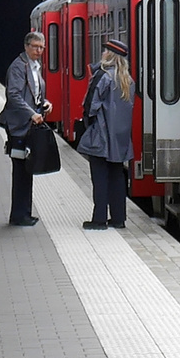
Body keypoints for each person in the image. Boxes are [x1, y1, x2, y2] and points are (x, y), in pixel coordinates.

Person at [76, 40, 134, 230]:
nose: (102, 52)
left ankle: (99, 218)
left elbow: (89, 105)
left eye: (105, 50)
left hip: (101, 136)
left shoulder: (102, 76)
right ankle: (118, 218)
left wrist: (87, 123)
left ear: (110, 55)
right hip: (120, 138)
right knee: (117, 176)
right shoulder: (127, 79)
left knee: (99, 177)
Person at [0, 31, 51, 226]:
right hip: (19, 126)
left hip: (29, 124)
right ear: (26, 46)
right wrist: (31, 113)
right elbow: (14, 96)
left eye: (42, 47)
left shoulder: (34, 66)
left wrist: (44, 104)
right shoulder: (18, 66)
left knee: (28, 168)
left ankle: (25, 212)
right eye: (35, 46)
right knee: (21, 170)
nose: (39, 50)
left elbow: (34, 93)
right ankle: (18, 215)